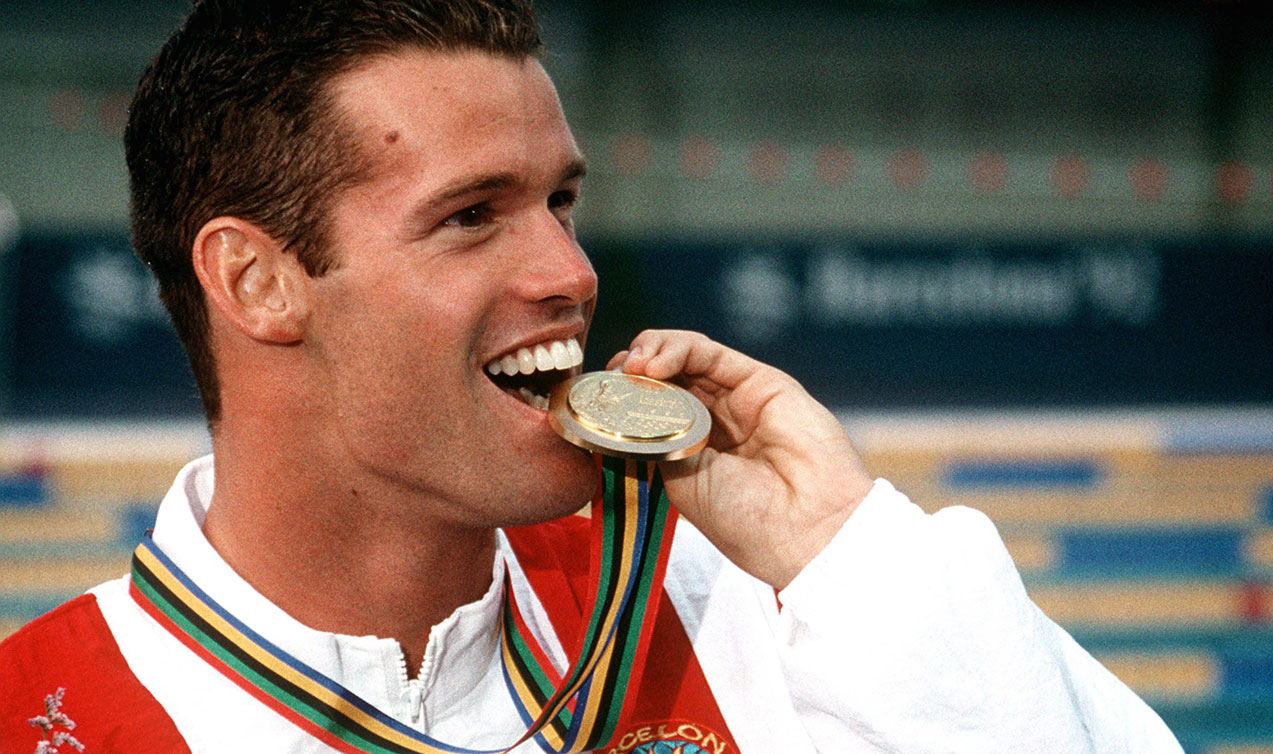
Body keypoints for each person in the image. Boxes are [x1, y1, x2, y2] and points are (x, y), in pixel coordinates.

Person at [1, 1, 1184, 752]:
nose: (568, 271)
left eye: (560, 201)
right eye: (470, 217)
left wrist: (851, 554)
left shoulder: (755, 606)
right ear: (257, 282)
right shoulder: (38, 715)